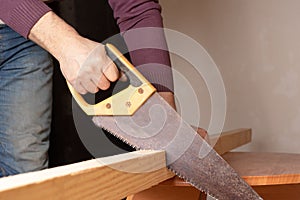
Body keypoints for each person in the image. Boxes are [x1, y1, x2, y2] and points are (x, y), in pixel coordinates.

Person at [0, 0, 177, 177]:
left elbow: (136, 8)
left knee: (25, 168)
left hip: (23, 36)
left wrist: (161, 106)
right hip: (31, 20)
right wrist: (66, 43)